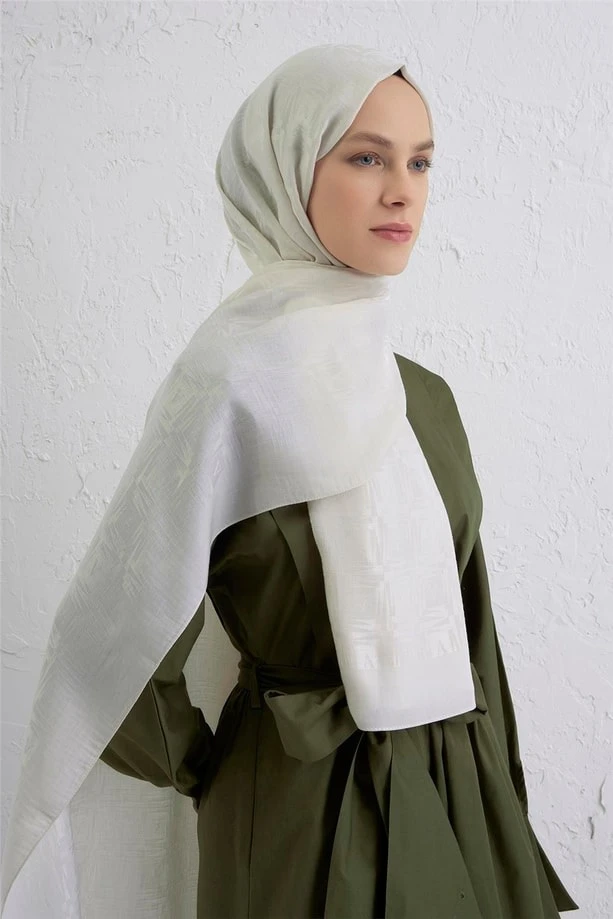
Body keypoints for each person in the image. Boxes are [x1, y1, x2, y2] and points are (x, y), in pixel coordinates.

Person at [1, 45, 579, 919]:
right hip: (298, 807)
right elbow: (111, 639)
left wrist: (499, 798)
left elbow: (474, 631)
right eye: (367, 157)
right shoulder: (226, 393)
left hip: (459, 789)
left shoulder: (425, 399)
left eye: (420, 162)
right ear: (284, 170)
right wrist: (217, 764)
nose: (402, 192)